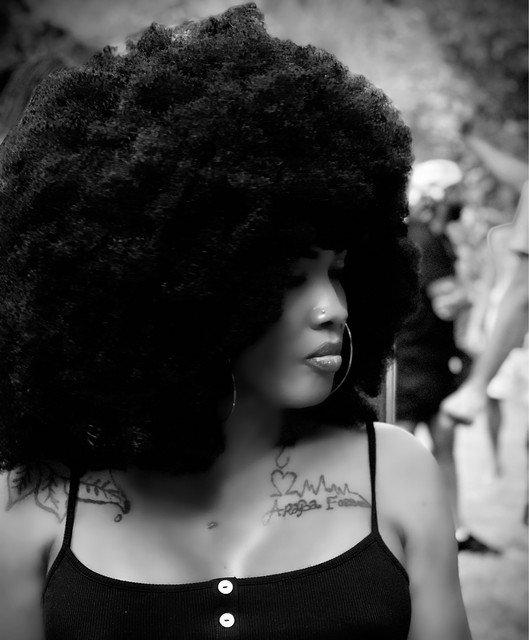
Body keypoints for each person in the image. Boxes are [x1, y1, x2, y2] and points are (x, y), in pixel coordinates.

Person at [0, 4, 471, 639]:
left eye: (337, 272)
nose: (334, 308)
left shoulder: (397, 472)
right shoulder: (40, 503)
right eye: (290, 280)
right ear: (183, 288)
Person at [395, 159, 497, 553]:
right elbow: (446, 302)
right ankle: (397, 535)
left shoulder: (433, 238)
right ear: (438, 196)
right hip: (413, 364)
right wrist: (477, 289)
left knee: (442, 448)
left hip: (432, 362)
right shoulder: (423, 239)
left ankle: (455, 531)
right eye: (455, 191)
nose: (461, 199)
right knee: (398, 451)